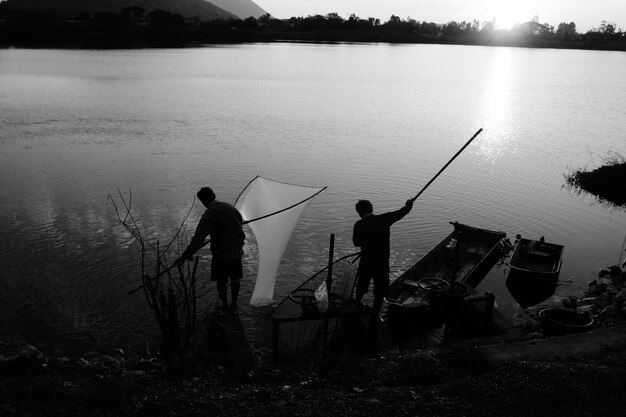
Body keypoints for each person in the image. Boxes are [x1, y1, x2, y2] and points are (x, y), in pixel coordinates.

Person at [175, 187, 245, 315]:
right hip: (236, 250)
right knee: (235, 279)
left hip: (221, 254)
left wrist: (186, 255)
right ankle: (234, 306)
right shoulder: (229, 207)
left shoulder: (209, 214)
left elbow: (198, 239)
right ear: (214, 196)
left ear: (203, 201)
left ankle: (225, 307)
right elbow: (240, 221)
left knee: (221, 281)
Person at [352, 198, 413, 320]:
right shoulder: (384, 219)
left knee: (361, 286)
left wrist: (367, 241)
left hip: (366, 262)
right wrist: (409, 205)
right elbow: (401, 213)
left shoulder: (358, 224)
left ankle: (356, 305)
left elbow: (356, 243)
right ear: (372, 209)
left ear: (359, 212)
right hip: (381, 263)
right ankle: (375, 315)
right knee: (380, 291)